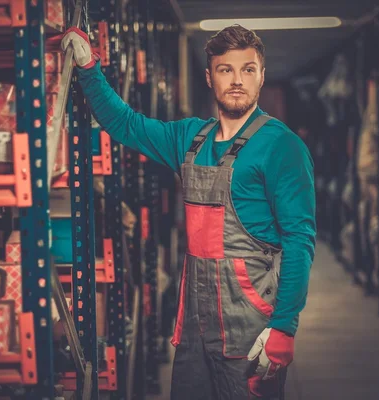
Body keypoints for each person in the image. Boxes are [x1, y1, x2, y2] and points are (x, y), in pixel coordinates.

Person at [62, 24, 316, 400]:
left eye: (248, 69)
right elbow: (126, 124)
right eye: (226, 69)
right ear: (209, 77)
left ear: (261, 76)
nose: (237, 80)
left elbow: (299, 241)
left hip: (250, 326)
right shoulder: (190, 138)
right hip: (195, 326)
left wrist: (284, 326)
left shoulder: (282, 146)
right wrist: (88, 70)